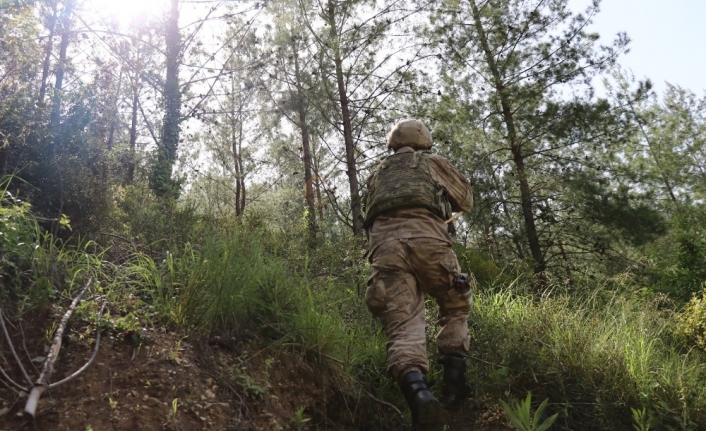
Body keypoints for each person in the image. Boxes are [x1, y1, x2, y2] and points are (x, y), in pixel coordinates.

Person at [363, 119, 474, 430]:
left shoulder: (377, 174)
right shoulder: (432, 163)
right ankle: (454, 382)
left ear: (392, 145)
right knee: (455, 305)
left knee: (402, 326)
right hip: (430, 244)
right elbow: (466, 199)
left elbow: (369, 216)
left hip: (386, 252)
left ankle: (419, 395)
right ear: (424, 141)